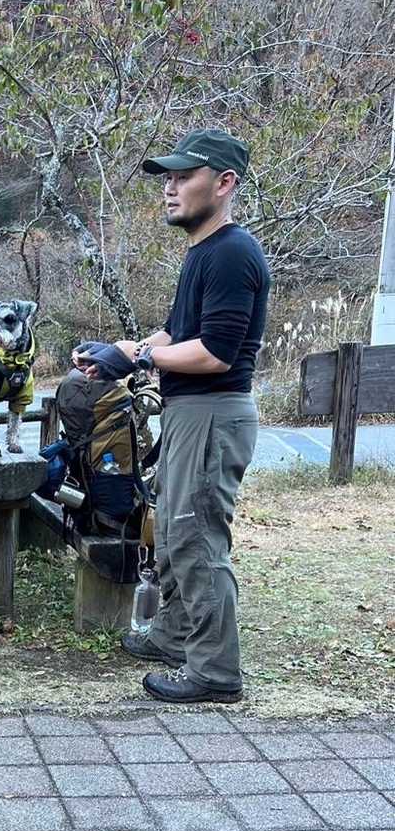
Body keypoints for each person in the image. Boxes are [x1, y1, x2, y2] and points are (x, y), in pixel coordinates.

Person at [82, 129, 270, 704]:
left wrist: (140, 357)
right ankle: (174, 634)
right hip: (191, 413)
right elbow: (175, 334)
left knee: (196, 538)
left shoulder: (233, 253)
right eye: (168, 178)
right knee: (171, 531)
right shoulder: (203, 253)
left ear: (224, 183)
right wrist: (119, 353)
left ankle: (214, 672)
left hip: (213, 414)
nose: (170, 188)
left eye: (184, 177)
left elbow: (214, 352)